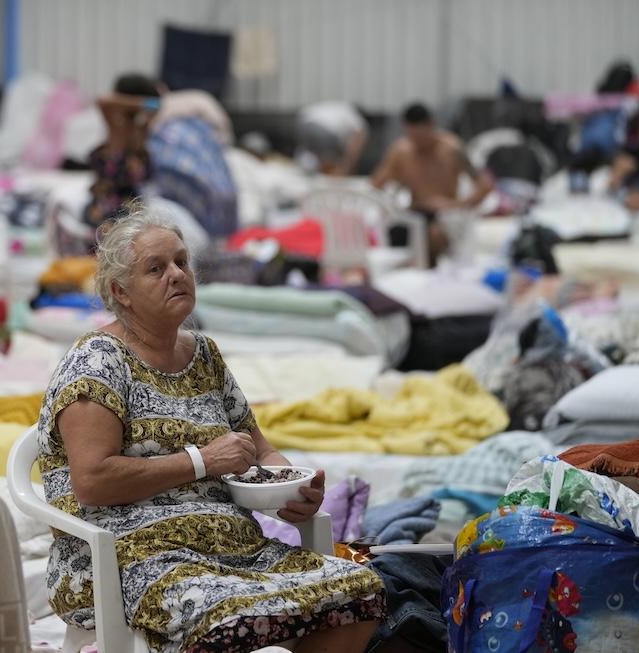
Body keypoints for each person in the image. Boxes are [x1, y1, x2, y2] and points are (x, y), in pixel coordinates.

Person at [38, 208, 385, 653]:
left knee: (362, 589)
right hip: (130, 555)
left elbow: (258, 449)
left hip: (232, 547)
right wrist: (201, 462)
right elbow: (92, 480)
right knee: (229, 618)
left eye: (182, 262)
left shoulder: (204, 355)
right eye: (156, 269)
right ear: (120, 292)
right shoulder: (97, 361)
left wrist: (290, 490)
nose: (177, 275)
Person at [371, 103, 493, 266]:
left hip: (446, 215)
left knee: (432, 235)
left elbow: (485, 187)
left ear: (431, 126)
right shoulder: (401, 151)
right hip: (414, 212)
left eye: (420, 137)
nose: (417, 143)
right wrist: (395, 185)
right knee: (397, 233)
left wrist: (454, 204)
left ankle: (430, 273)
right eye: (412, 137)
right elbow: (376, 184)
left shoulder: (451, 149)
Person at [82, 75, 159, 231]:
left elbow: (157, 104)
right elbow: (102, 100)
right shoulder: (118, 122)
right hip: (110, 201)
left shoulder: (140, 124)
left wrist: (137, 103)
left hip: (129, 198)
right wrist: (138, 102)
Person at [296, 100, 369, 176]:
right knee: (331, 163)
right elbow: (356, 143)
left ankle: (308, 173)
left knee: (312, 156)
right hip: (325, 130)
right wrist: (348, 164)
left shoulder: (340, 107)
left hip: (304, 125)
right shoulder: (355, 116)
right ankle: (334, 180)